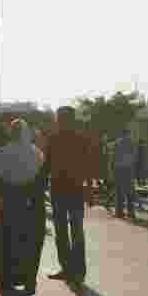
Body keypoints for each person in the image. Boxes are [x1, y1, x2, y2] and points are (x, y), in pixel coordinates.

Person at [0, 119, 46, 296]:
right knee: (30, 243)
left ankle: (3, 283)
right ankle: (29, 282)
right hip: (31, 205)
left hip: (5, 203)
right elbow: (41, 179)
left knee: (3, 243)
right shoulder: (37, 153)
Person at [45, 106, 97, 283]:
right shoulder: (75, 139)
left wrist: (89, 189)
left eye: (58, 118)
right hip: (70, 189)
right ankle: (74, 270)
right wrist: (89, 190)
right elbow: (90, 167)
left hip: (64, 190)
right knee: (72, 230)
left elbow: (46, 167)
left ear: (62, 119)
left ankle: (70, 269)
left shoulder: (56, 139)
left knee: (66, 231)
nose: (57, 121)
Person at [110, 128, 138, 219]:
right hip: (129, 169)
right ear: (128, 134)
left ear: (121, 134)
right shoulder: (132, 144)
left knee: (119, 192)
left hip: (119, 169)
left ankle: (119, 212)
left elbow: (113, 158)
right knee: (130, 192)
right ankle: (131, 213)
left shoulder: (117, 143)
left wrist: (112, 169)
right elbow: (134, 158)